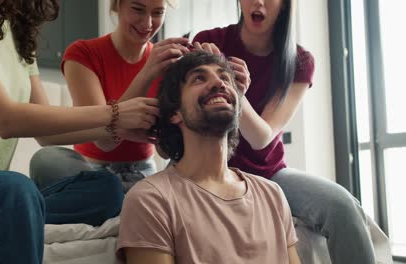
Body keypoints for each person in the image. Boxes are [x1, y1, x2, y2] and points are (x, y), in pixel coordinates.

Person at [0, 0, 159, 262]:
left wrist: (115, 125)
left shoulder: (17, 28)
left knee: (106, 190)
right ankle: (14, 209)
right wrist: (114, 113)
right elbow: (5, 119)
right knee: (10, 192)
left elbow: (48, 136)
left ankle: (16, 213)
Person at [192, 0, 376, 263]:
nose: (259, 2)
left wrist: (231, 87)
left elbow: (261, 137)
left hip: (269, 174)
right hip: (208, 167)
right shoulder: (209, 41)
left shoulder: (299, 61)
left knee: (343, 206)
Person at [116, 51, 301, 264]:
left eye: (224, 77)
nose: (218, 83)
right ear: (175, 113)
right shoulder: (151, 199)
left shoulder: (272, 195)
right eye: (199, 78)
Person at [30, 0, 190, 193]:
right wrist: (147, 73)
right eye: (138, 10)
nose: (147, 23)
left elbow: (164, 152)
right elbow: (104, 141)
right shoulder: (82, 53)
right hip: (90, 169)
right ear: (117, 6)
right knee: (47, 159)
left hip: (143, 171)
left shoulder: (166, 63)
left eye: (157, 13)